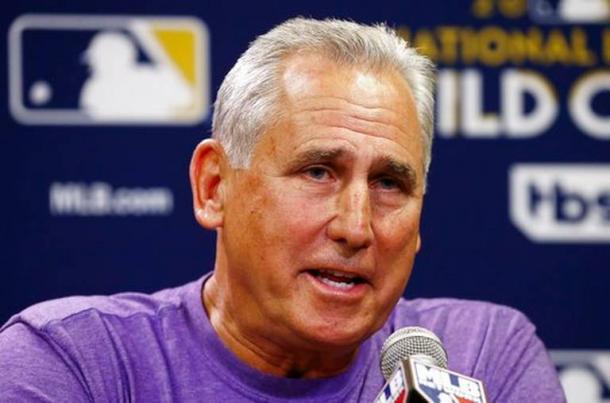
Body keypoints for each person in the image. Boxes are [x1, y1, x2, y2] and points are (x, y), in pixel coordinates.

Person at [0, 18, 565, 402]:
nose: (355, 226)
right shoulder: (73, 362)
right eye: (318, 172)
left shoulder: (485, 354)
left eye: (391, 183)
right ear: (214, 186)